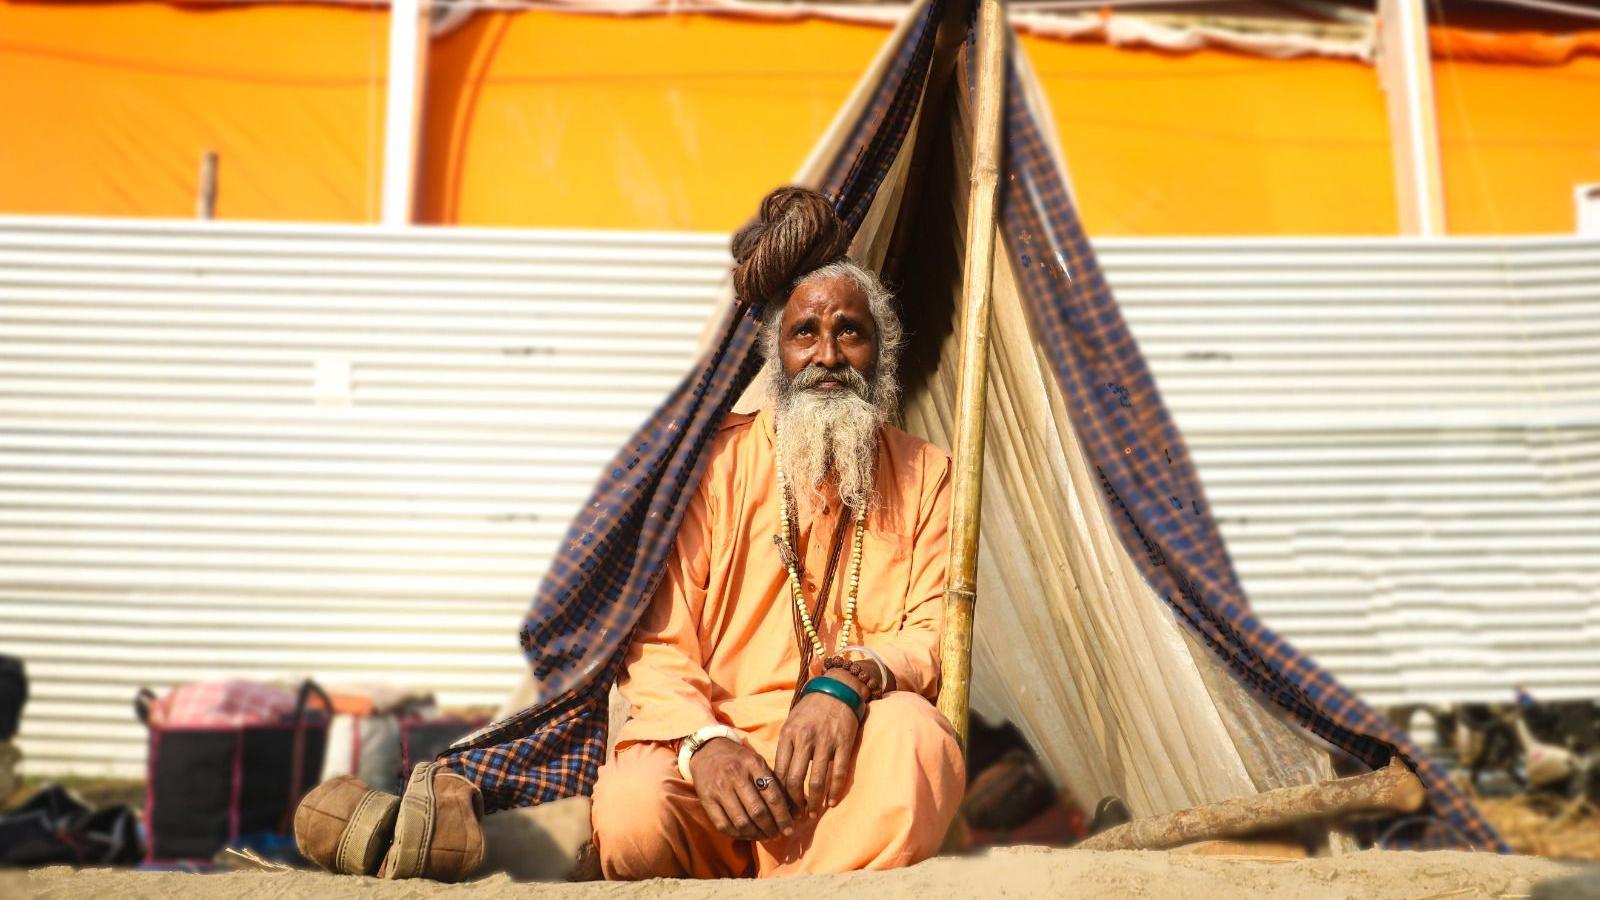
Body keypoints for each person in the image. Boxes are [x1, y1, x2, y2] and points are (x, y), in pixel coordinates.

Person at [589, 187, 964, 879]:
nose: (828, 355)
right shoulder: (709, 465)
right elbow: (658, 648)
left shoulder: (929, 473)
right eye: (805, 334)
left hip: (846, 755)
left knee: (918, 740)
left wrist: (849, 686)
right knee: (633, 805)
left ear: (881, 352)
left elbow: (930, 632)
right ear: (776, 352)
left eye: (850, 331)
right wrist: (705, 745)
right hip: (718, 759)